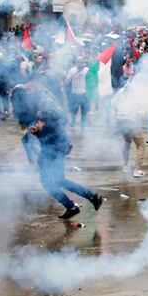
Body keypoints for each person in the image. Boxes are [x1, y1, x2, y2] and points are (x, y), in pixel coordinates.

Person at [30, 88, 103, 220]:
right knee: (59, 180)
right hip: (53, 149)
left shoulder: (49, 109)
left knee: (47, 182)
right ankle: (89, 198)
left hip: (53, 150)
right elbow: (49, 132)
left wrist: (42, 129)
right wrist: (38, 132)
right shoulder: (45, 108)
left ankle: (73, 206)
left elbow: (57, 126)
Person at [112, 82, 146, 177]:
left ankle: (125, 166)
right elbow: (142, 111)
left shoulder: (121, 91)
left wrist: (120, 112)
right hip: (132, 121)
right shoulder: (137, 94)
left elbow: (113, 103)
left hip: (121, 120)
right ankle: (137, 170)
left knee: (127, 142)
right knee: (141, 145)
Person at [64, 57, 89, 130]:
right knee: (74, 110)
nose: (80, 64)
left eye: (81, 62)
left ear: (84, 63)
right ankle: (73, 122)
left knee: (84, 111)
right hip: (75, 94)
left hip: (84, 94)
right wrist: (65, 82)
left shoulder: (87, 70)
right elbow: (67, 80)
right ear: (76, 63)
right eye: (78, 62)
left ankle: (83, 126)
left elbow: (91, 79)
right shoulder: (72, 70)